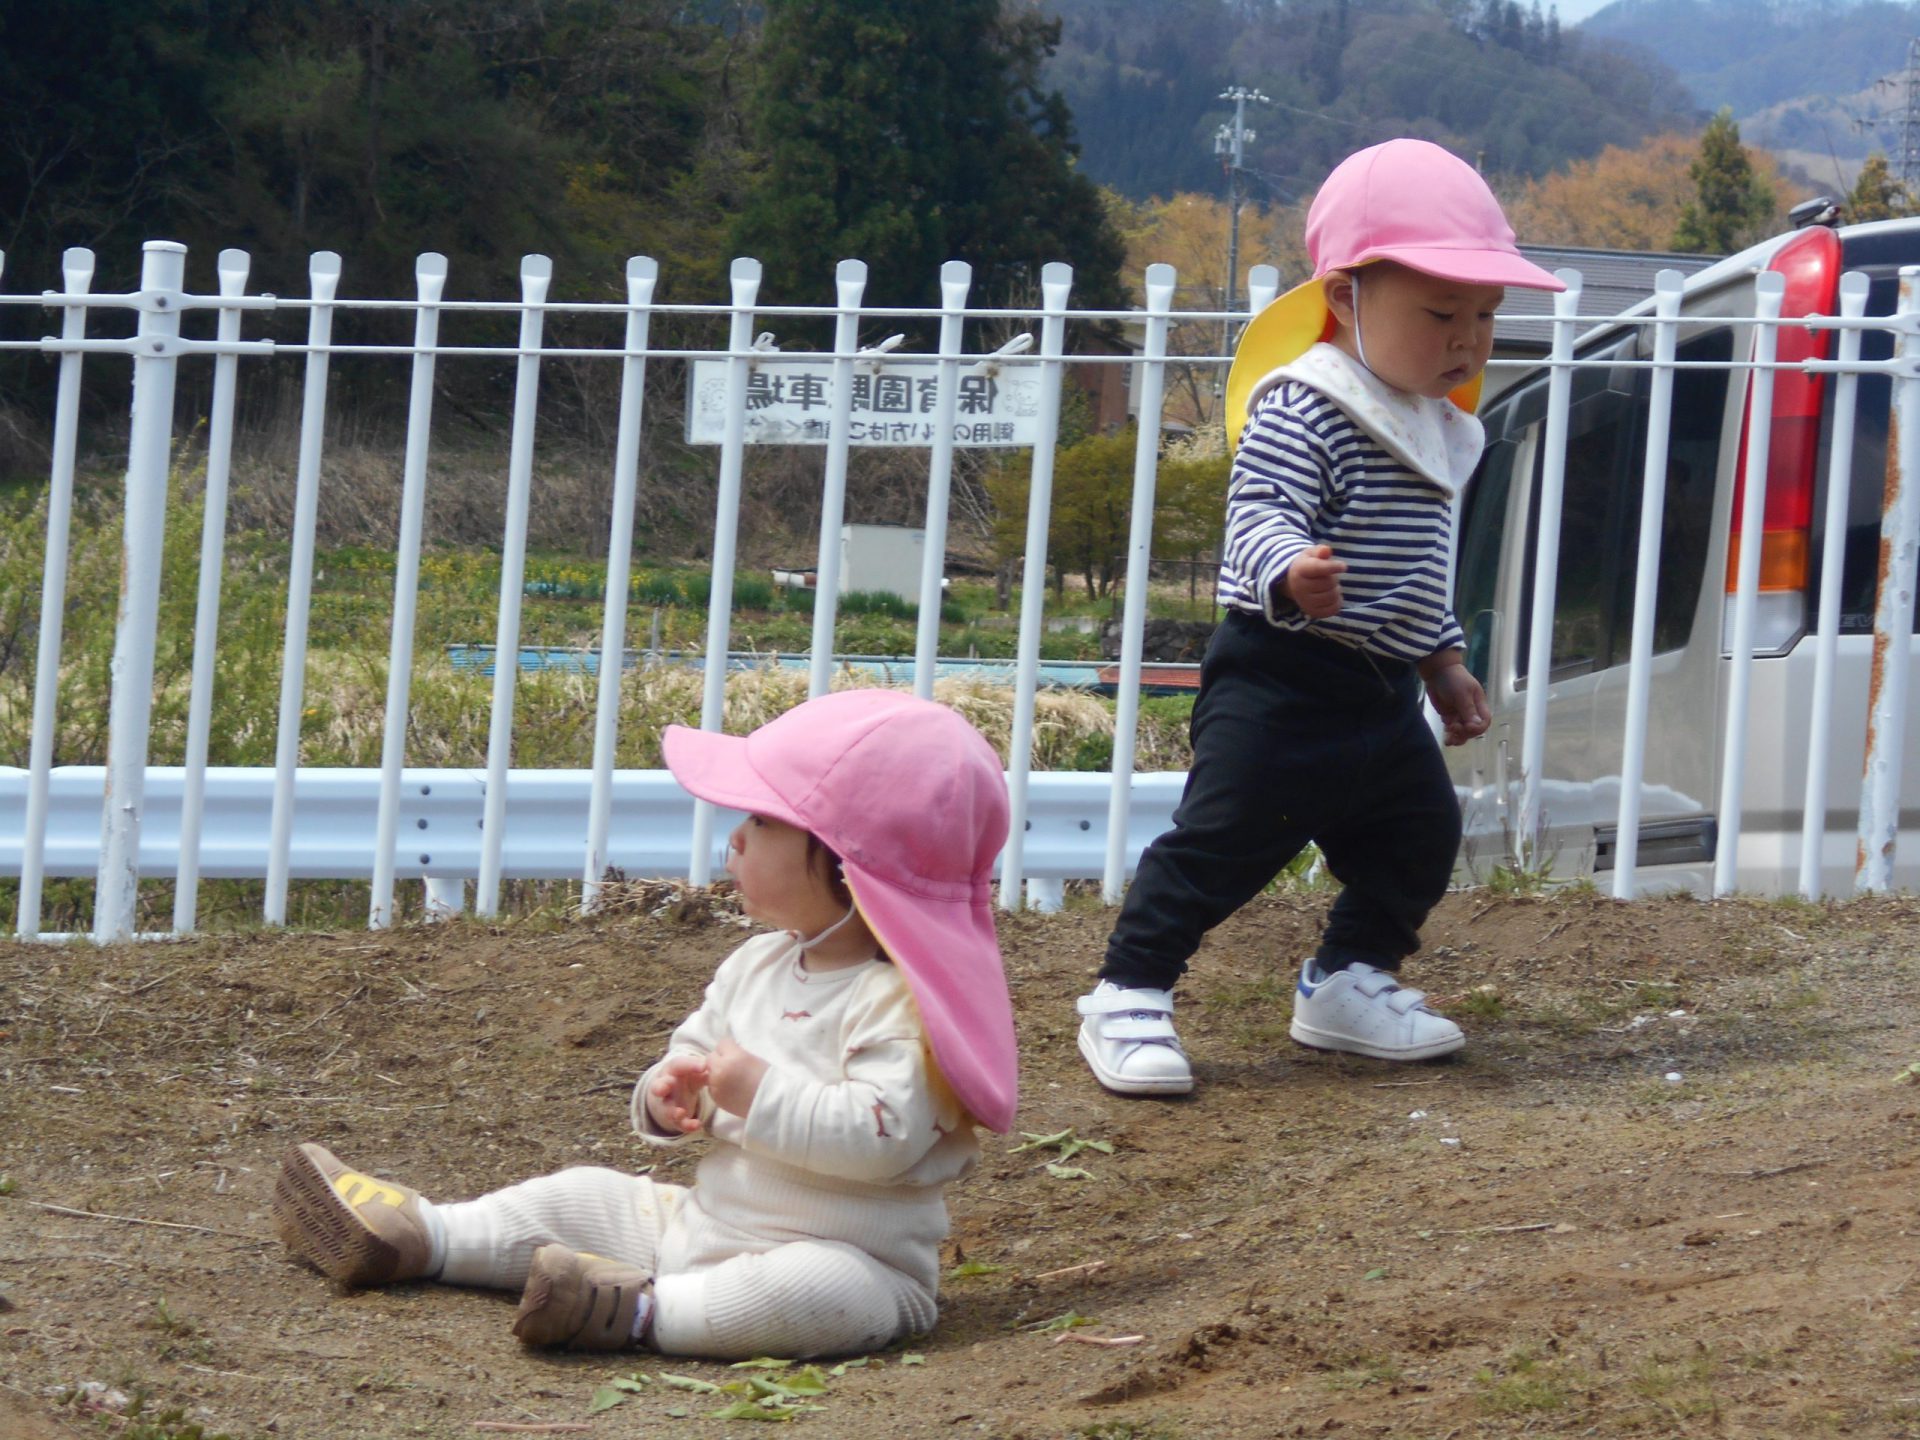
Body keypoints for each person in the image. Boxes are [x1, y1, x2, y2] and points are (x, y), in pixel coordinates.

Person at [271, 689, 1016, 1359]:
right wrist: (668, 1091)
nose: (737, 839)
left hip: (851, 1258)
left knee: (821, 1293)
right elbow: (694, 1047)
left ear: (851, 864)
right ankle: (424, 1235)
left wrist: (761, 1094)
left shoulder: (902, 1002)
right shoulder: (756, 963)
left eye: (763, 821)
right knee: (583, 1194)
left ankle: (642, 1313)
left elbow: (883, 1140)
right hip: (702, 1225)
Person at [1076, 138, 1566, 1097]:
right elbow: (1257, 512)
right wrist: (1288, 568)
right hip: (1282, 675)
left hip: (1380, 693)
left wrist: (1442, 660)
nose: (1468, 340)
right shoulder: (1309, 404)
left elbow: (1419, 568)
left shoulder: (1432, 420)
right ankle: (1128, 990)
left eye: (1486, 316)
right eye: (1441, 313)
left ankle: (1345, 980)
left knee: (1419, 835)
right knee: (1223, 841)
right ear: (1346, 297)